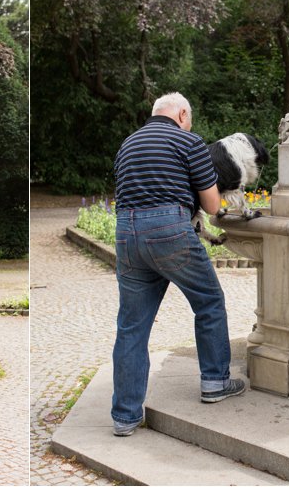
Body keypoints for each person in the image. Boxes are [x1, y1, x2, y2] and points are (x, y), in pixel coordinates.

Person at [110, 92, 245, 437]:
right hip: (169, 229)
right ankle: (215, 381)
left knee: (131, 326)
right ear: (182, 113)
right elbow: (213, 205)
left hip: (127, 231)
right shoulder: (188, 141)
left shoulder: (128, 143)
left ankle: (125, 416)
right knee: (209, 302)